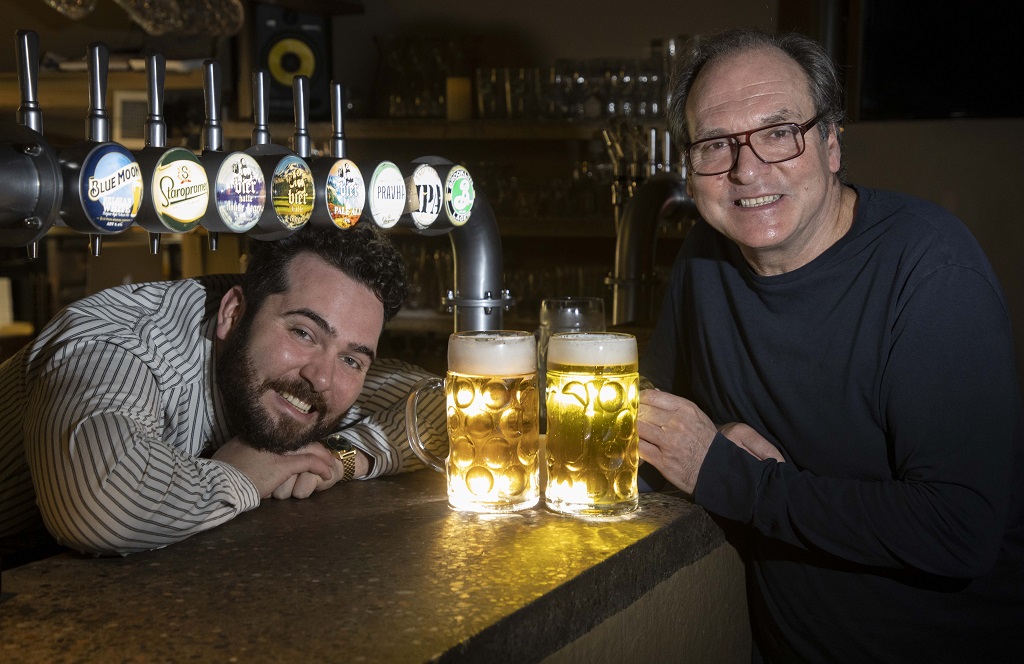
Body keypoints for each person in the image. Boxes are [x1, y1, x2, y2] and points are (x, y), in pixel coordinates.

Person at [637, 27, 1023, 662]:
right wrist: (715, 432)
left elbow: (960, 530)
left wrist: (733, 477)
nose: (746, 168)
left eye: (778, 133)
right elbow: (654, 405)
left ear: (831, 143)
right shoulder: (704, 257)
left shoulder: (930, 270)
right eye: (715, 145)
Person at [0, 224, 446, 556]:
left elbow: (452, 407)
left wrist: (340, 457)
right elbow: (102, 505)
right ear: (233, 313)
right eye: (304, 333)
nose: (322, 378)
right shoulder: (119, 342)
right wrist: (241, 474)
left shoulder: (300, 380)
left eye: (351, 358)